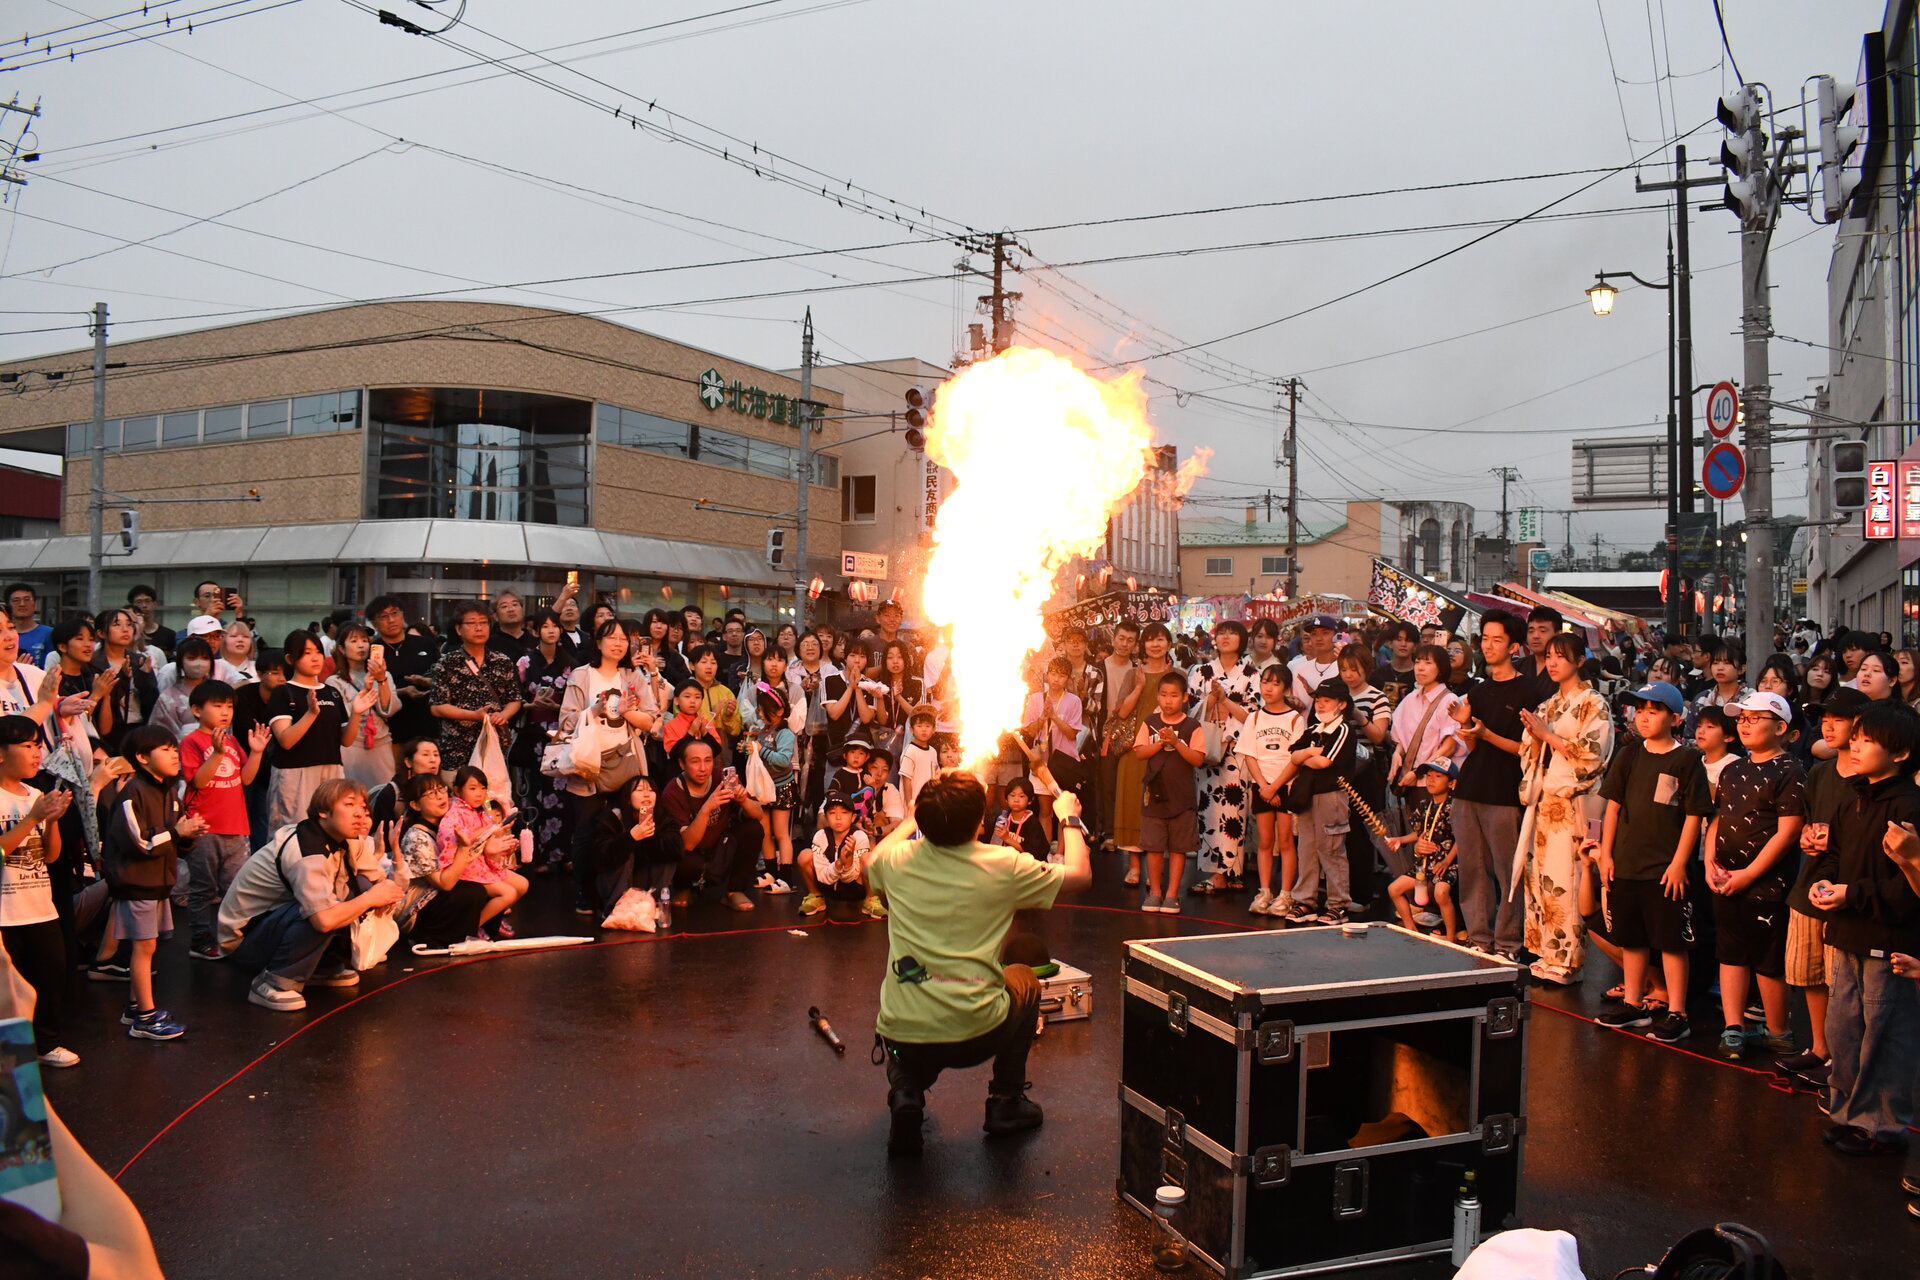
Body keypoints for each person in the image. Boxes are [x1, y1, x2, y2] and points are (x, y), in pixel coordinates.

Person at [870, 773, 1092, 1156]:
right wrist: (1068, 817)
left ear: (921, 820)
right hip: (978, 1033)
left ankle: (906, 1092)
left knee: (902, 1013)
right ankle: (1005, 1101)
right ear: (981, 823)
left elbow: (870, 861)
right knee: (1022, 977)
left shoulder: (894, 859)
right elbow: (1080, 875)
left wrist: (907, 822)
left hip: (906, 1036)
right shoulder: (1004, 863)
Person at [1803, 701, 1920, 1157]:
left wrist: (1851, 893)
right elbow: (1833, 856)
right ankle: (1847, 1111)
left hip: (1887, 940)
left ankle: (1883, 1125)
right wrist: (1823, 883)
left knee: (1885, 1033)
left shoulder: (1907, 806)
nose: (1855, 744)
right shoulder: (1854, 799)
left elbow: (1907, 889)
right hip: (1847, 932)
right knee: (1845, 1028)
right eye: (1857, 737)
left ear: (1902, 752)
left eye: (1867, 739)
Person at [1592, 681, 1713, 1044]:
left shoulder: (1688, 759)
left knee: (1672, 941)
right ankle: (1634, 1003)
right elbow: (1612, 807)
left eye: (1653, 710)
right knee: (1632, 939)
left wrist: (1679, 864)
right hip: (1626, 864)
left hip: (1666, 870)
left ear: (1675, 718)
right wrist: (1606, 855)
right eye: (1639, 710)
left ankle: (1678, 1011)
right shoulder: (1629, 755)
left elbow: (1695, 816)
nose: (1643, 717)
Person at [217, 778, 399, 1011]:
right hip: (246, 943)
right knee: (324, 911)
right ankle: (273, 982)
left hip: (277, 924)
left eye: (364, 807)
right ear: (323, 811)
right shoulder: (306, 849)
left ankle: (323, 967)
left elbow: (377, 882)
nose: (360, 814)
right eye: (350, 805)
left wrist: (382, 896)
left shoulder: (351, 841)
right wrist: (371, 899)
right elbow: (323, 920)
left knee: (354, 894)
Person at [1702, 691, 1805, 1061]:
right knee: (1730, 954)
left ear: (1781, 728)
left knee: (1767, 960)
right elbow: (1717, 819)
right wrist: (1708, 862)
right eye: (1742, 717)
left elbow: (1788, 832)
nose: (1744, 723)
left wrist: (1748, 875)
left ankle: (1779, 1032)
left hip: (1767, 885)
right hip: (1725, 878)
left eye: (1755, 718)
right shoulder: (1732, 768)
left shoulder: (1790, 770)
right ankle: (1734, 1027)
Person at [1777, 687, 1867, 1089]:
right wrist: (1808, 837)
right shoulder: (1820, 773)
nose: (1827, 726)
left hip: (1847, 892)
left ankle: (1844, 1062)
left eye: (1838, 719)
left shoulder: (1870, 779)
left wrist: (1834, 840)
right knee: (1809, 974)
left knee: (1841, 982)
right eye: (1823, 719)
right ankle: (1819, 1048)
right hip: (1810, 883)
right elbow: (1808, 822)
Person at [1514, 632, 1615, 986]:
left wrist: (1547, 736)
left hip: (1571, 803)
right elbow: (1530, 750)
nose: (1553, 663)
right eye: (1550, 657)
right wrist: (1535, 737)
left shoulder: (1594, 703)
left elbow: (1592, 756)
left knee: (1565, 879)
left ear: (1579, 661)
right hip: (1544, 802)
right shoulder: (1548, 704)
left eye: (1561, 656)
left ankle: (1568, 960)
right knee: (1539, 879)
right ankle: (1545, 951)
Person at [1446, 612, 1544, 958]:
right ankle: (1479, 938)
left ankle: (1508, 943)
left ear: (1514, 647)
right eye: (1484, 638)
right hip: (1470, 788)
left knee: (1508, 873)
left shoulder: (1531, 691)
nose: (1488, 645)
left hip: (1507, 793)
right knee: (1473, 871)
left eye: (1496, 639)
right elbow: (1474, 745)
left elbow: (1528, 750)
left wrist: (1484, 732)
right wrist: (1468, 727)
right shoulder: (1478, 690)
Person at [101, 726, 207, 1042]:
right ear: (142, 758)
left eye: (175, 748)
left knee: (150, 945)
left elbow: (171, 838)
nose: (175, 754)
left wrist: (187, 837)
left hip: (158, 883)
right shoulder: (131, 793)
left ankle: (135, 1008)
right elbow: (140, 843)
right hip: (136, 882)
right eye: (165, 749)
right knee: (143, 946)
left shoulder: (168, 793)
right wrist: (178, 834)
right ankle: (145, 1019)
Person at [556, 618, 661, 916]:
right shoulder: (581, 675)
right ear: (598, 642)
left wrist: (629, 713)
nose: (618, 643)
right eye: (610, 637)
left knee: (627, 828)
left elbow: (651, 720)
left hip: (627, 762)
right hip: (588, 764)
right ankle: (585, 894)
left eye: (623, 639)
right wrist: (594, 710)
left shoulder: (633, 676)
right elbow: (566, 722)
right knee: (586, 832)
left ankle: (621, 894)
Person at [0, 715, 76, 1067]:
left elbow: (51, 855)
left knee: (49, 978)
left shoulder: (35, 795)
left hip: (39, 907)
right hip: (5, 913)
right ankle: (10, 1055)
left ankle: (46, 1045)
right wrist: (32, 818)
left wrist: (53, 820)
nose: (36, 753)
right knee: (8, 992)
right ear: (2, 753)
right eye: (27, 745)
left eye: (37, 745)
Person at [178, 682, 270, 960]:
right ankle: (200, 939)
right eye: (217, 706)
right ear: (196, 710)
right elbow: (198, 781)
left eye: (229, 706)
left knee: (235, 888)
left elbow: (246, 779)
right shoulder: (192, 741)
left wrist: (256, 752)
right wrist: (217, 754)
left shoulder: (230, 741)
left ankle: (232, 938)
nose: (225, 712)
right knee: (203, 889)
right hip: (204, 827)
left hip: (236, 826)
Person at [268, 631, 378, 831]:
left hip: (331, 770)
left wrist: (356, 713)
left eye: (318, 651)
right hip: (296, 771)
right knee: (293, 831)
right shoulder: (284, 692)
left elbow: (345, 740)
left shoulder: (331, 691)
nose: (315, 657)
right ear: (290, 659)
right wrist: (311, 713)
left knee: (332, 828)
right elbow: (286, 740)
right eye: (306, 652)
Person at [1185, 620, 1255, 896]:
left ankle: (1232, 871)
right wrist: (1211, 703)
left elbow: (1253, 716)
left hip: (1236, 749)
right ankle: (1217, 873)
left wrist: (1225, 702)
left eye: (1232, 633)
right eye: (1222, 633)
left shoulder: (1253, 673)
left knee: (1235, 811)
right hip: (1208, 749)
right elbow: (1192, 709)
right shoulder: (1201, 671)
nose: (1226, 637)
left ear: (1242, 639)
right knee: (1209, 811)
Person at [1285, 679, 1361, 925]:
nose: (1320, 704)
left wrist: (1305, 757)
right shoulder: (1313, 730)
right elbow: (1295, 754)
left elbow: (1325, 762)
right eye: (1318, 700)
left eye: (1326, 701)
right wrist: (1308, 753)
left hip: (1331, 797)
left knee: (1331, 849)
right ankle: (1305, 901)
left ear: (1341, 704)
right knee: (1306, 848)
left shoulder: (1343, 730)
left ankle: (1338, 904)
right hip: (1308, 796)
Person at [660, 738, 766, 912]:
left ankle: (734, 891)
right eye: (695, 762)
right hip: (690, 854)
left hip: (720, 847)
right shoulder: (672, 792)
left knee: (753, 829)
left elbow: (759, 814)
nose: (703, 768)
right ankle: (683, 888)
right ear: (682, 764)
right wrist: (706, 809)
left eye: (708, 760)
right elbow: (687, 843)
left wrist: (743, 799)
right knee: (682, 856)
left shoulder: (722, 777)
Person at [1116, 622, 1184, 889]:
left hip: (1168, 750)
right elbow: (1121, 712)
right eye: (1150, 640)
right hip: (1135, 751)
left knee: (1161, 808)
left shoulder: (1177, 674)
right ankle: (1134, 867)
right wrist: (1139, 687)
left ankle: (1154, 869)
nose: (1156, 645)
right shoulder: (1133, 674)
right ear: (1142, 645)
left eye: (1161, 639)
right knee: (1134, 807)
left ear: (1169, 644)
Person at [1131, 672, 1204, 915]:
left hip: (1182, 798)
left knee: (1178, 848)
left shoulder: (1192, 726)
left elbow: (1198, 759)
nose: (1168, 700)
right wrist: (1161, 743)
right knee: (1153, 847)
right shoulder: (1150, 721)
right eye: (1163, 695)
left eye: (1174, 696)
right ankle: (1155, 892)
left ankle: (1172, 894)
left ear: (1184, 697)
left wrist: (1177, 742)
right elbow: (1139, 752)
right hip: (1155, 796)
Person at [390, 774, 489, 948]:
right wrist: (465, 848)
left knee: (493, 883)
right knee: (472, 891)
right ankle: (432, 938)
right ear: (415, 805)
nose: (440, 796)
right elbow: (445, 884)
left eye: (441, 789)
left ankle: (474, 933)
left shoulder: (448, 823)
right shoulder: (417, 837)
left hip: (440, 892)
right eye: (430, 793)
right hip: (418, 908)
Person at [428, 601, 523, 777]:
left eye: (483, 623)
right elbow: (437, 707)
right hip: (457, 747)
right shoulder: (446, 663)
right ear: (458, 629)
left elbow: (514, 700)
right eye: (471, 623)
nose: (479, 628)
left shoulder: (502, 661)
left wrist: (503, 715)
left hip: (493, 746)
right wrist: (473, 716)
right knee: (457, 801)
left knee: (493, 800)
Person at [1237, 664, 1303, 919]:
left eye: (1276, 683)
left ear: (1286, 688)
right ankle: (1265, 891)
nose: (1269, 688)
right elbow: (1250, 754)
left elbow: (1296, 758)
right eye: (1265, 682)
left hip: (1286, 786)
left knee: (1286, 841)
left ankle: (1285, 893)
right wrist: (1263, 785)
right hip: (1262, 786)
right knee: (1265, 841)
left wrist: (1275, 786)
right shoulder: (1254, 718)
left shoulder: (1296, 719)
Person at [514, 609, 575, 871]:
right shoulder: (525, 662)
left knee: (563, 795)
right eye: (545, 626)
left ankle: (564, 854)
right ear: (536, 631)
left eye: (555, 626)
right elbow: (513, 700)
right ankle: (537, 856)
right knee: (536, 795)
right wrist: (531, 705)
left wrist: (558, 706)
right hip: (534, 734)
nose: (551, 630)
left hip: (562, 735)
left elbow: (578, 703)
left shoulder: (571, 663)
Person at [1385, 759, 1460, 938]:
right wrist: (1400, 840)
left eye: (1438, 776)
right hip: (1424, 865)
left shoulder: (1455, 807)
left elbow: (1462, 839)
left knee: (1441, 893)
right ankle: (1411, 929)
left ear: (1452, 783)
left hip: (1446, 864)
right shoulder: (1424, 805)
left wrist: (1446, 861)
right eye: (1428, 776)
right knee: (1394, 889)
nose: (1431, 780)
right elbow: (1420, 833)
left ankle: (1450, 936)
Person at [365, 595, 441, 758]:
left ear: (402, 615)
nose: (391, 620)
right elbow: (369, 691)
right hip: (391, 734)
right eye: (384, 617)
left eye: (395, 613)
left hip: (427, 728)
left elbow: (442, 681)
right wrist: (402, 691)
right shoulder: (372, 652)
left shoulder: (425, 644)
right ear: (374, 623)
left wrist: (425, 682)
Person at [328, 623, 400, 789]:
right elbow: (342, 721)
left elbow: (390, 710)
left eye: (364, 640)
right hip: (352, 747)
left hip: (380, 744)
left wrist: (381, 680)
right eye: (353, 641)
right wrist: (366, 690)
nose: (361, 645)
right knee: (353, 792)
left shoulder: (384, 674)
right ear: (341, 649)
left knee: (384, 793)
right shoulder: (335, 681)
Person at [808, 791, 883, 918]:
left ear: (853, 817)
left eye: (844, 813)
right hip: (828, 886)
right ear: (825, 817)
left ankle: (870, 900)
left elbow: (849, 878)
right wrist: (838, 864)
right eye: (832, 813)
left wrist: (847, 862)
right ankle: (816, 897)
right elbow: (822, 876)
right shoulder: (820, 837)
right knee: (805, 856)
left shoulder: (859, 837)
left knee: (868, 858)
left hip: (855, 888)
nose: (838, 818)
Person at [1287, 615, 1341, 713]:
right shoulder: (1299, 669)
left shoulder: (1344, 668)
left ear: (1336, 636)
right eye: (1314, 634)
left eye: (1325, 633)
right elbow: (1294, 702)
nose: (1319, 638)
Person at [1369, 621, 1419, 710]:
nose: (1403, 644)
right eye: (1399, 639)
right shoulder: (1377, 675)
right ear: (1390, 643)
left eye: (1408, 640)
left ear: (1415, 646)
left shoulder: (1420, 677)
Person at [1693, 707, 1738, 799]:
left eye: (1710, 727)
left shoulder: (1735, 765)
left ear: (1728, 736)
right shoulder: (1695, 761)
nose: (1701, 731)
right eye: (1699, 726)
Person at [4, 584, 51, 666]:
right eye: (16, 600)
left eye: (27, 599)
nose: (22, 604)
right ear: (8, 606)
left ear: (35, 604)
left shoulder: (49, 634)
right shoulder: (4, 636)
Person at [127, 583, 176, 660]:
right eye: (139, 602)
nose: (144, 606)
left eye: (147, 601)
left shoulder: (169, 634)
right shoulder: (127, 634)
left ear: (155, 604)